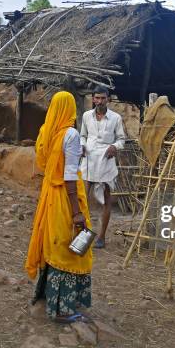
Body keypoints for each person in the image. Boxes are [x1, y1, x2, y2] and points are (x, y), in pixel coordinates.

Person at [25, 91, 93, 323]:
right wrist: (76, 211)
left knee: (52, 243)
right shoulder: (71, 135)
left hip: (49, 195)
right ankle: (63, 309)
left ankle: (46, 296)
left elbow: (45, 163)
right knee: (68, 248)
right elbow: (69, 175)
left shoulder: (46, 131)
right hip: (65, 197)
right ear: (70, 109)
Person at [80, 86, 126, 249]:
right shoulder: (86, 116)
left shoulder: (116, 118)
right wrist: (82, 146)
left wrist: (114, 147)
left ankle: (101, 237)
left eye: (103, 98)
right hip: (89, 161)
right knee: (83, 200)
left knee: (106, 201)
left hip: (106, 161)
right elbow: (83, 136)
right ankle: (82, 237)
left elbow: (121, 139)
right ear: (93, 99)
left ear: (109, 100)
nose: (99, 101)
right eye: (97, 98)